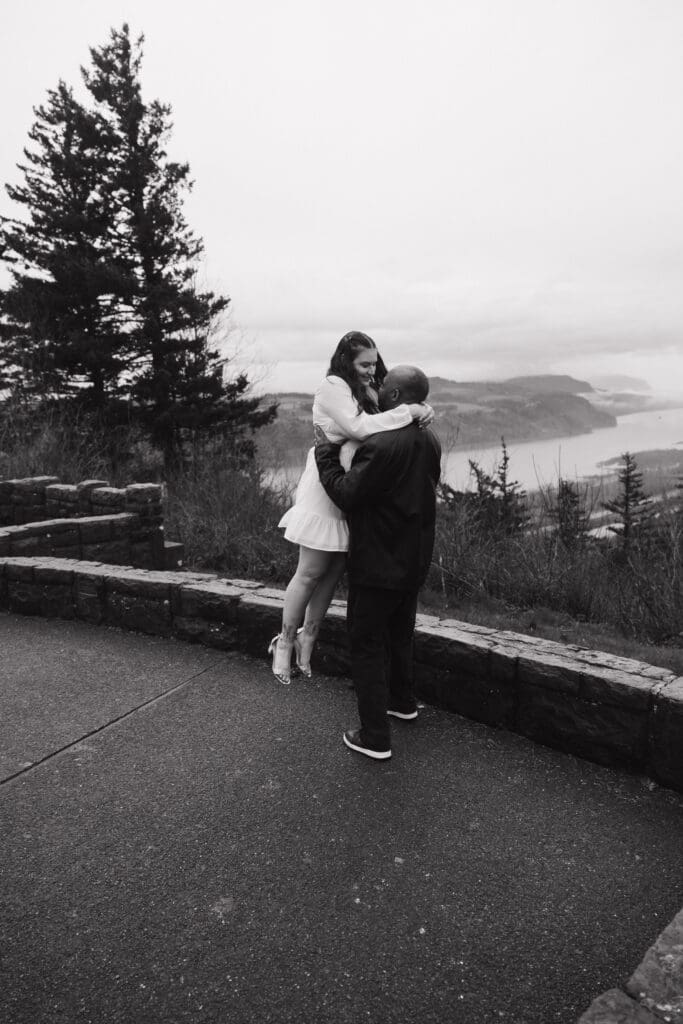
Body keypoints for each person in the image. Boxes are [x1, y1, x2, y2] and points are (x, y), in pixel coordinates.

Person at [270, 332, 433, 685]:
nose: (370, 370)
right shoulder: (333, 385)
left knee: (334, 570)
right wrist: (410, 411)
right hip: (325, 485)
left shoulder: (370, 389)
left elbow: (387, 420)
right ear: (346, 360)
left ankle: (308, 637)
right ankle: (283, 641)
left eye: (374, 363)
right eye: (363, 364)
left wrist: (422, 408)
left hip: (353, 485)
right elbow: (360, 427)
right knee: (311, 570)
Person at [314, 364, 441, 761]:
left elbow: (348, 494)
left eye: (385, 385)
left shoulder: (382, 444)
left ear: (397, 398)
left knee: (366, 643)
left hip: (378, 561)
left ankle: (374, 737)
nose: (378, 388)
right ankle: (402, 702)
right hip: (414, 557)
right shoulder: (429, 439)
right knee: (399, 635)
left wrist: (325, 458)